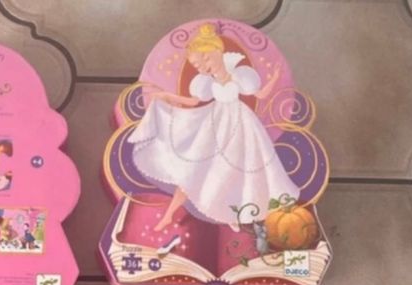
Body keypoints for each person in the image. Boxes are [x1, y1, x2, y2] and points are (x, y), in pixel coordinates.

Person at [128, 23, 298, 232]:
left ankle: (232, 214)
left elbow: (261, 94)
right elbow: (193, 102)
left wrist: (275, 78)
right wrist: (166, 96)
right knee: (192, 172)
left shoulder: (241, 75)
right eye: (198, 65)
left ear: (219, 51)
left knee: (235, 174)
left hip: (242, 128)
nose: (203, 67)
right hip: (214, 126)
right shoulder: (205, 82)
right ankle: (168, 215)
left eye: (206, 59)